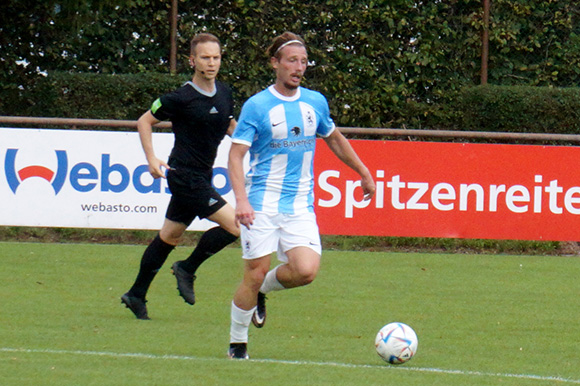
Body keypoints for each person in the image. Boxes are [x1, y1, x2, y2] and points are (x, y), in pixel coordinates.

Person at [226, 32, 376, 359]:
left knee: (306, 271)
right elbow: (235, 156)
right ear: (275, 63)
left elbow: (334, 139)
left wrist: (363, 172)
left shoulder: (314, 102)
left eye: (304, 62)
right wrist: (242, 200)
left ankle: (262, 290)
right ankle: (238, 342)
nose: (299, 67)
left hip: (299, 205)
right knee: (253, 272)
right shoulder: (257, 105)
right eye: (292, 61)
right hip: (261, 204)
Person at [121, 32, 239, 320]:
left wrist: (254, 147)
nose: (211, 63)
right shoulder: (180, 97)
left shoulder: (225, 93)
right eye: (205, 57)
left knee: (170, 236)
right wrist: (151, 158)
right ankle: (187, 268)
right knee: (237, 227)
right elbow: (144, 121)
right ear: (193, 60)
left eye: (216, 57)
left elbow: (229, 125)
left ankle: (136, 294)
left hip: (202, 176)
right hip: (185, 177)